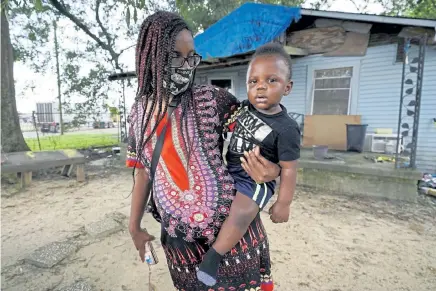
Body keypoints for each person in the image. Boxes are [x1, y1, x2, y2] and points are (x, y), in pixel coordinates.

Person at [127, 11, 281, 291]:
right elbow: (143, 173)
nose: (186, 66)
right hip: (179, 241)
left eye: (192, 57)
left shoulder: (214, 99)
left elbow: (270, 136)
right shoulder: (138, 115)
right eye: (175, 56)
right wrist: (134, 227)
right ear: (151, 57)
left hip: (235, 235)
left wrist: (276, 169)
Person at [197, 43, 300, 286]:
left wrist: (283, 204)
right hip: (227, 169)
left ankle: (214, 256)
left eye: (271, 80)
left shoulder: (287, 129)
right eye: (253, 82)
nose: (260, 86)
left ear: (288, 87)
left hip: (254, 181)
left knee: (241, 212)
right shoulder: (241, 109)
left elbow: (289, 168)